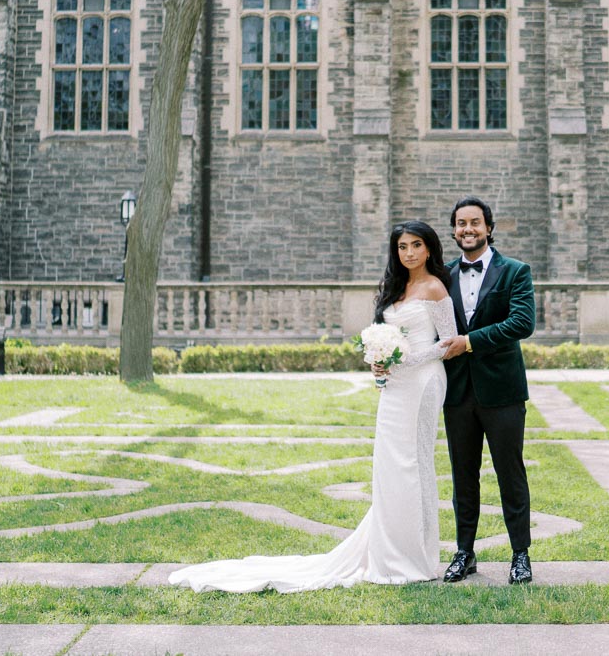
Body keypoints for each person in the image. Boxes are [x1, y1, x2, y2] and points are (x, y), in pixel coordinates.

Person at [168, 221, 456, 593]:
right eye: (402, 246)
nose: (410, 253)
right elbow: (386, 343)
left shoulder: (435, 287)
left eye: (416, 245)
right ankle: (388, 549)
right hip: (395, 387)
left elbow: (449, 343)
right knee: (388, 464)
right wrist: (380, 363)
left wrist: (405, 362)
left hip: (423, 382)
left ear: (429, 249)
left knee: (413, 462)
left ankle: (414, 556)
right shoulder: (393, 288)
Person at [437, 196, 536, 585]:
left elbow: (521, 323)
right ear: (454, 230)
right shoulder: (442, 277)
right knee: (463, 476)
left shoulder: (515, 271)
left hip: (503, 392)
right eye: (461, 224)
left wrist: (470, 342)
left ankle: (520, 555)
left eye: (475, 223)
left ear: (489, 228)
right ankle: (465, 552)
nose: (468, 230)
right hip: (457, 392)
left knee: (510, 473)